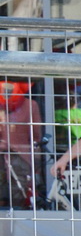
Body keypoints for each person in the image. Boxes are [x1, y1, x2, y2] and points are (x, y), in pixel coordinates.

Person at [0, 78, 44, 207]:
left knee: (19, 193)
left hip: (22, 158)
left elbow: (36, 137)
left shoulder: (31, 105)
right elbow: (36, 136)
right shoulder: (30, 105)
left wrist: (36, 163)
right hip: (12, 156)